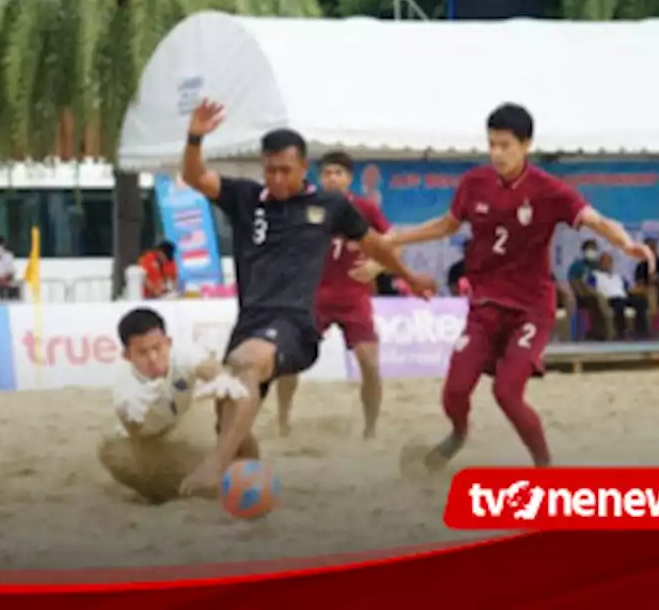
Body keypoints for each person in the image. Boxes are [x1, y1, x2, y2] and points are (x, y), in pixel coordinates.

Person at [175, 98, 436, 496]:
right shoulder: (245, 197)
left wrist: (409, 277)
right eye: (270, 170)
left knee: (248, 367)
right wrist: (195, 136)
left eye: (286, 170)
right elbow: (195, 177)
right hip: (250, 322)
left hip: (296, 323)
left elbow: (376, 245)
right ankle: (250, 486)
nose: (277, 178)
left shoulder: (329, 206)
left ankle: (214, 466)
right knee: (228, 416)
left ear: (302, 168)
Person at [389, 103, 653, 470]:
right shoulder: (474, 182)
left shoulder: (549, 190)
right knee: (454, 391)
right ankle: (458, 435)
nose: (496, 153)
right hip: (485, 307)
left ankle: (544, 468)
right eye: (491, 144)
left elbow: (596, 220)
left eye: (505, 145)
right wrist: (397, 240)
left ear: (526, 145)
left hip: (531, 309)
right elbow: (447, 224)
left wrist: (625, 243)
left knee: (507, 394)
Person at [275, 151, 395, 441]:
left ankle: (370, 430)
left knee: (370, 365)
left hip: (354, 299)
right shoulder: (307, 207)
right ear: (319, 177)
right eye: (327, 173)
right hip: (315, 297)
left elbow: (394, 241)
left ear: (349, 179)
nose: (332, 178)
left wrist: (377, 265)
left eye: (338, 173)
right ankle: (282, 421)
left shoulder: (365, 209)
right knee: (289, 360)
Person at [98, 307, 223, 504]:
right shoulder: (125, 386)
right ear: (127, 356)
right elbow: (134, 428)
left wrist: (220, 379)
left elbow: (207, 367)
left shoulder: (182, 353)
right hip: (142, 442)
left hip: (183, 426)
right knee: (113, 454)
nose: (153, 358)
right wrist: (134, 418)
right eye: (142, 352)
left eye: (158, 348)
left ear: (169, 343)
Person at [592, 252, 648, 339]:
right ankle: (621, 332)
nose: (607, 264)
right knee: (619, 304)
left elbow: (628, 288)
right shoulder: (595, 275)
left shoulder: (618, 276)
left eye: (609, 262)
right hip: (608, 298)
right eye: (604, 262)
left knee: (640, 301)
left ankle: (641, 332)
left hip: (623, 296)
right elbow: (591, 289)